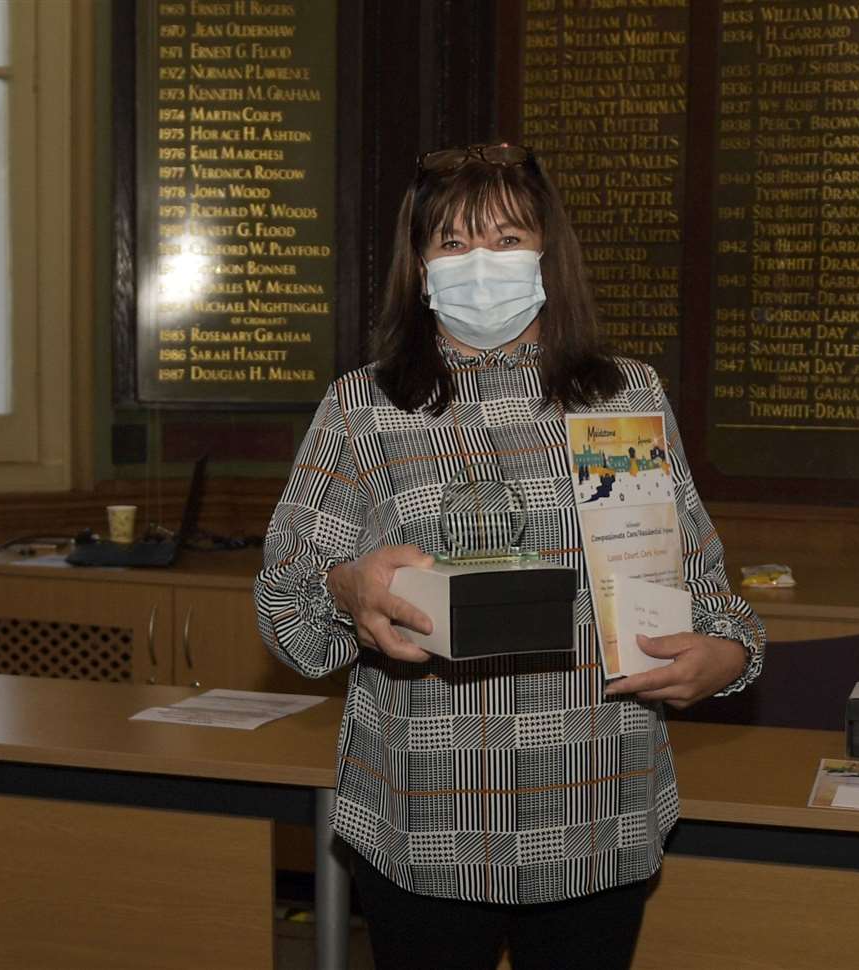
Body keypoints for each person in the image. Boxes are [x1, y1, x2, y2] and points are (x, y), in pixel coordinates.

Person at [254, 143, 765, 970]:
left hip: (597, 814)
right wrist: (345, 588)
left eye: (505, 238)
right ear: (419, 267)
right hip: (427, 829)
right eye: (452, 244)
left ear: (546, 255)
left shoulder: (623, 396)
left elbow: (707, 597)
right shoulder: (364, 408)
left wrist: (727, 655)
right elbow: (284, 617)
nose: (480, 264)